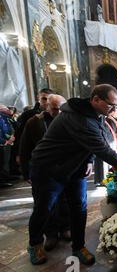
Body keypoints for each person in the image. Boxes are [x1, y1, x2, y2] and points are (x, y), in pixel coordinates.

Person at [28, 84, 117, 266]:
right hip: (49, 169)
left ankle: (78, 247)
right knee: (44, 208)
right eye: (111, 105)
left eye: (116, 106)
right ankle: (35, 244)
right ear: (95, 100)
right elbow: (102, 149)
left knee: (79, 207)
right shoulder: (77, 118)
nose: (114, 110)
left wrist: (88, 161)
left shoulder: (96, 114)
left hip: (74, 168)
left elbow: (96, 141)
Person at [19, 95, 71, 250]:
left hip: (64, 169)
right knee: (45, 206)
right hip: (43, 170)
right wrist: (26, 172)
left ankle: (65, 227)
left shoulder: (68, 120)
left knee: (64, 201)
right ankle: (50, 234)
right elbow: (25, 148)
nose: (58, 112)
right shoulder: (34, 122)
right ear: (47, 106)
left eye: (61, 108)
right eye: (55, 109)